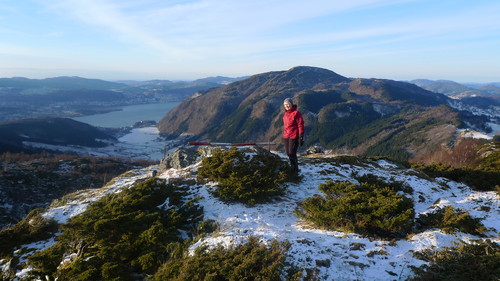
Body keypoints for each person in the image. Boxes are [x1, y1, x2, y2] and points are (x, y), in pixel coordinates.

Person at [282, 98, 304, 172]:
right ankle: (293, 167)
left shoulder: (296, 113)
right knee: (288, 153)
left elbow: (300, 125)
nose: (287, 106)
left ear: (291, 104)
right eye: (285, 105)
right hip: (286, 136)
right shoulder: (285, 114)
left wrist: (301, 136)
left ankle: (295, 169)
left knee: (292, 153)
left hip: (294, 136)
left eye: (288, 104)